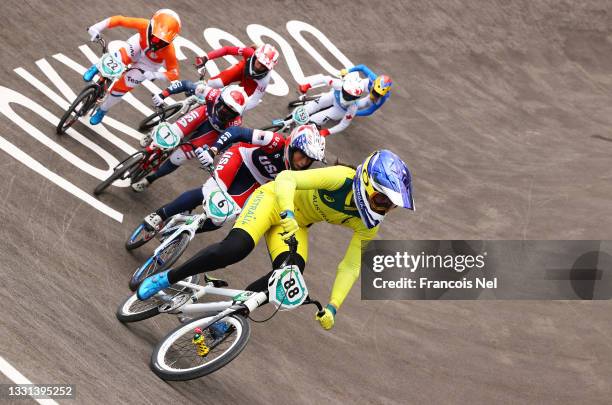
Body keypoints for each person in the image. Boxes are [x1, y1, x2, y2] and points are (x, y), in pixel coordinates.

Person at [137, 149, 415, 331]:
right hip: (273, 202)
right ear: (366, 182)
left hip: (296, 225)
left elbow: (352, 265)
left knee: (289, 277)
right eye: (381, 200)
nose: (383, 209)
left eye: (389, 206)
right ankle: (168, 278)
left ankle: (232, 314)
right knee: (236, 249)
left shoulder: (369, 223)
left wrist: (333, 305)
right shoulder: (341, 178)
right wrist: (287, 210)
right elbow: (286, 178)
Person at [141, 123, 326, 233]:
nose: (303, 162)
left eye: (310, 160)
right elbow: (237, 132)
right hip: (240, 158)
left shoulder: (300, 173)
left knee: (223, 217)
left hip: (256, 181)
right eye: (302, 155)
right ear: (292, 146)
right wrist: (213, 150)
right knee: (209, 192)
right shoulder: (275, 141)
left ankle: (182, 233)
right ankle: (159, 215)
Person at [130, 84, 248, 192]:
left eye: (230, 113)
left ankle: (149, 179)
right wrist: (163, 94)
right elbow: (185, 84)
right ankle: (153, 136)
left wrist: (212, 152)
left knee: (178, 158)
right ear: (219, 99)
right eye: (223, 107)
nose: (224, 112)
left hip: (213, 133)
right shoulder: (212, 94)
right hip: (203, 114)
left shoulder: (234, 124)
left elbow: (226, 142)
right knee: (171, 133)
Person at [83, 9, 182, 125]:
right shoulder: (144, 24)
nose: (156, 43)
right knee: (120, 57)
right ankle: (97, 67)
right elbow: (119, 20)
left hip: (149, 64)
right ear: (151, 27)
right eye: (155, 38)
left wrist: (154, 75)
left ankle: (102, 110)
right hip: (137, 46)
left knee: (121, 88)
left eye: (162, 42)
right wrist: (96, 28)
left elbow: (174, 73)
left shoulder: (169, 51)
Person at [186, 43, 280, 112]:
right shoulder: (249, 52)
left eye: (263, 66)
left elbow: (254, 101)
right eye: (259, 62)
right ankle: (197, 88)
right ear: (256, 56)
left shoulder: (264, 80)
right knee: (217, 83)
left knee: (234, 106)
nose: (259, 67)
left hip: (251, 84)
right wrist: (206, 57)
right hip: (241, 70)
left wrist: (239, 110)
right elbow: (227, 50)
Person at [296, 71, 368, 137]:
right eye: (346, 94)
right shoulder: (339, 84)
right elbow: (324, 79)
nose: (347, 98)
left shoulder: (353, 106)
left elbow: (344, 124)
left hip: (339, 110)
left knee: (314, 120)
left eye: (351, 97)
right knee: (312, 106)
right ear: (343, 87)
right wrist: (307, 85)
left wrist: (327, 131)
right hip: (333, 97)